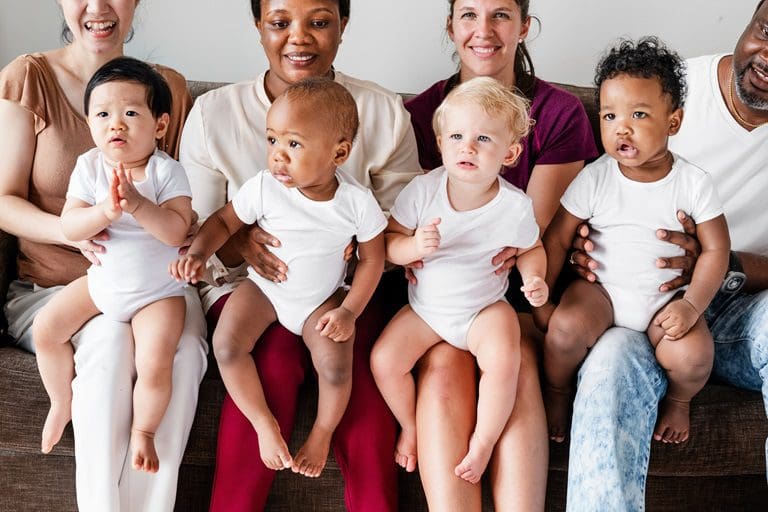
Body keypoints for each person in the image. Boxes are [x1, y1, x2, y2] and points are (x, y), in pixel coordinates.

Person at [179, 0, 422, 509]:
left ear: (342, 26)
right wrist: (242, 240)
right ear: (258, 27)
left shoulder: (378, 111)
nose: (299, 37)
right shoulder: (214, 112)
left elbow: (398, 228)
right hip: (251, 285)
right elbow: (201, 220)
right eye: (280, 22)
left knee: (357, 364)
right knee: (269, 359)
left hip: (339, 286)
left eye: (319, 21)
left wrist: (355, 275)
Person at [0, 1, 207, 511]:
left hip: (157, 280)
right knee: (109, 352)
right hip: (62, 284)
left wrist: (186, 238)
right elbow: (3, 201)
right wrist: (78, 233)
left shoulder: (168, 89)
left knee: (180, 355)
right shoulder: (30, 77)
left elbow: (185, 205)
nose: (98, 6)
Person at [566, 2, 768, 509]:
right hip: (638, 310)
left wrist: (719, 264)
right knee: (609, 367)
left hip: (743, 307)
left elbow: (721, 257)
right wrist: (578, 257)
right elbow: (588, 210)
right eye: (766, 30)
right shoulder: (669, 91)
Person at [404, 0, 598, 509]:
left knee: (517, 369)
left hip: (511, 296)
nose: (483, 30)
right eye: (468, 14)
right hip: (439, 297)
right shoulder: (424, 115)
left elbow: (521, 237)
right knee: (444, 370)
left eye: (500, 15)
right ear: (451, 25)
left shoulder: (559, 114)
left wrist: (533, 299)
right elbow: (406, 220)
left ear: (524, 26)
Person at [173, 77, 386, 478]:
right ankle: (263, 423)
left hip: (320, 300)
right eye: (272, 141)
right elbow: (222, 220)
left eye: (294, 144)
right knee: (226, 345)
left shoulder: (356, 203)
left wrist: (349, 312)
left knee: (337, 365)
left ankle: (321, 434)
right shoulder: (265, 187)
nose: (277, 157)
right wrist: (199, 252)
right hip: (266, 289)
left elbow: (374, 259)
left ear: (338, 152)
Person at [534, 38, 729, 445]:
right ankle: (556, 392)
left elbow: (716, 249)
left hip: (665, 301)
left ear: (673, 122)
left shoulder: (693, 183)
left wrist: (692, 305)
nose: (621, 126)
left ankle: (679, 400)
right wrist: (543, 300)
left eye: (638, 114)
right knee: (563, 333)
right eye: (609, 115)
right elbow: (556, 239)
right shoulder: (596, 178)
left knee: (694, 358)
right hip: (601, 294)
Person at [372, 76, 548, 485]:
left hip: (483, 310)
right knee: (384, 361)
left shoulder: (515, 207)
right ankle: (410, 424)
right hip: (427, 311)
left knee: (506, 361)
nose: (467, 147)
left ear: (510, 152)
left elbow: (531, 248)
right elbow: (388, 242)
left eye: (484, 138)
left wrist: (534, 277)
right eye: (456, 136)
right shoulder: (423, 190)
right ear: (439, 143)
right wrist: (413, 247)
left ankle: (484, 441)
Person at [32, 56, 193, 473]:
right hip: (102, 284)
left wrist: (138, 205)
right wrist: (103, 212)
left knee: (155, 361)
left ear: (160, 125)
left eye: (130, 113)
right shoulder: (88, 167)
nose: (115, 124)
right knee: (46, 330)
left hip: (157, 294)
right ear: (90, 125)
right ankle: (61, 401)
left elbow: (178, 231)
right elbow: (70, 223)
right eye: (103, 114)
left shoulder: (166, 172)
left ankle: (144, 432)